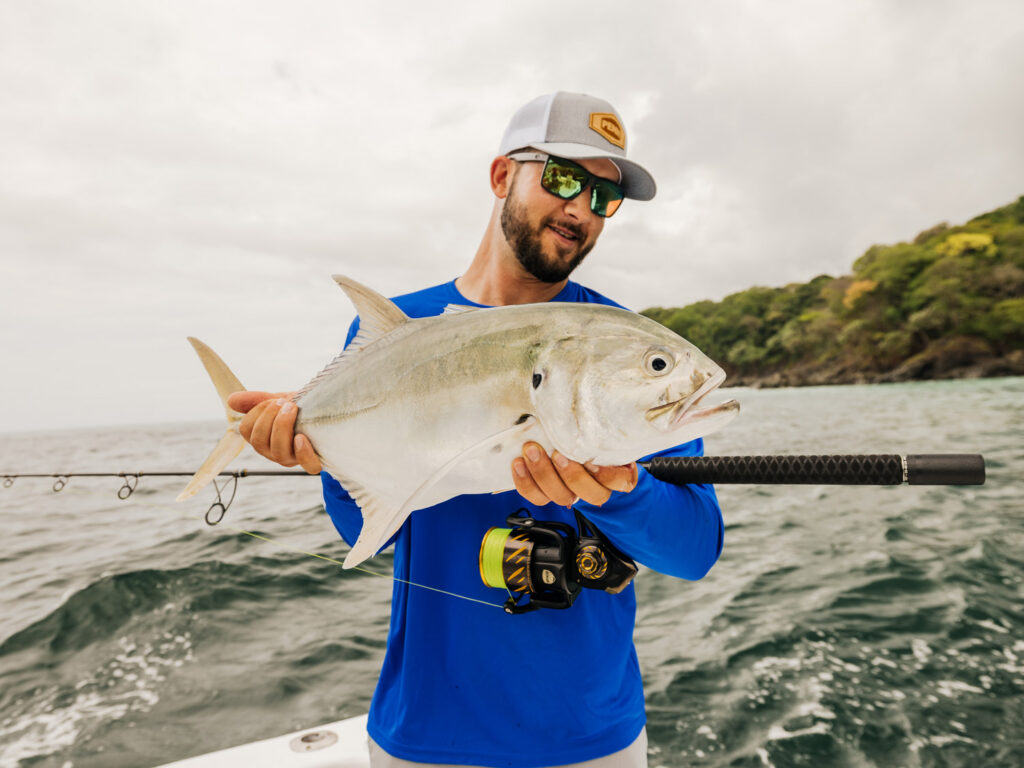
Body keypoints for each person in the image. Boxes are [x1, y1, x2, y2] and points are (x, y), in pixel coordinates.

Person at [227, 92, 724, 768]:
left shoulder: (621, 351)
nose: (580, 208)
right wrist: (322, 460)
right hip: (426, 735)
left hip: (593, 739)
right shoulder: (396, 328)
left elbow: (693, 550)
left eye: (604, 197)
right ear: (501, 177)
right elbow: (366, 532)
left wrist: (618, 490)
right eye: (562, 178)